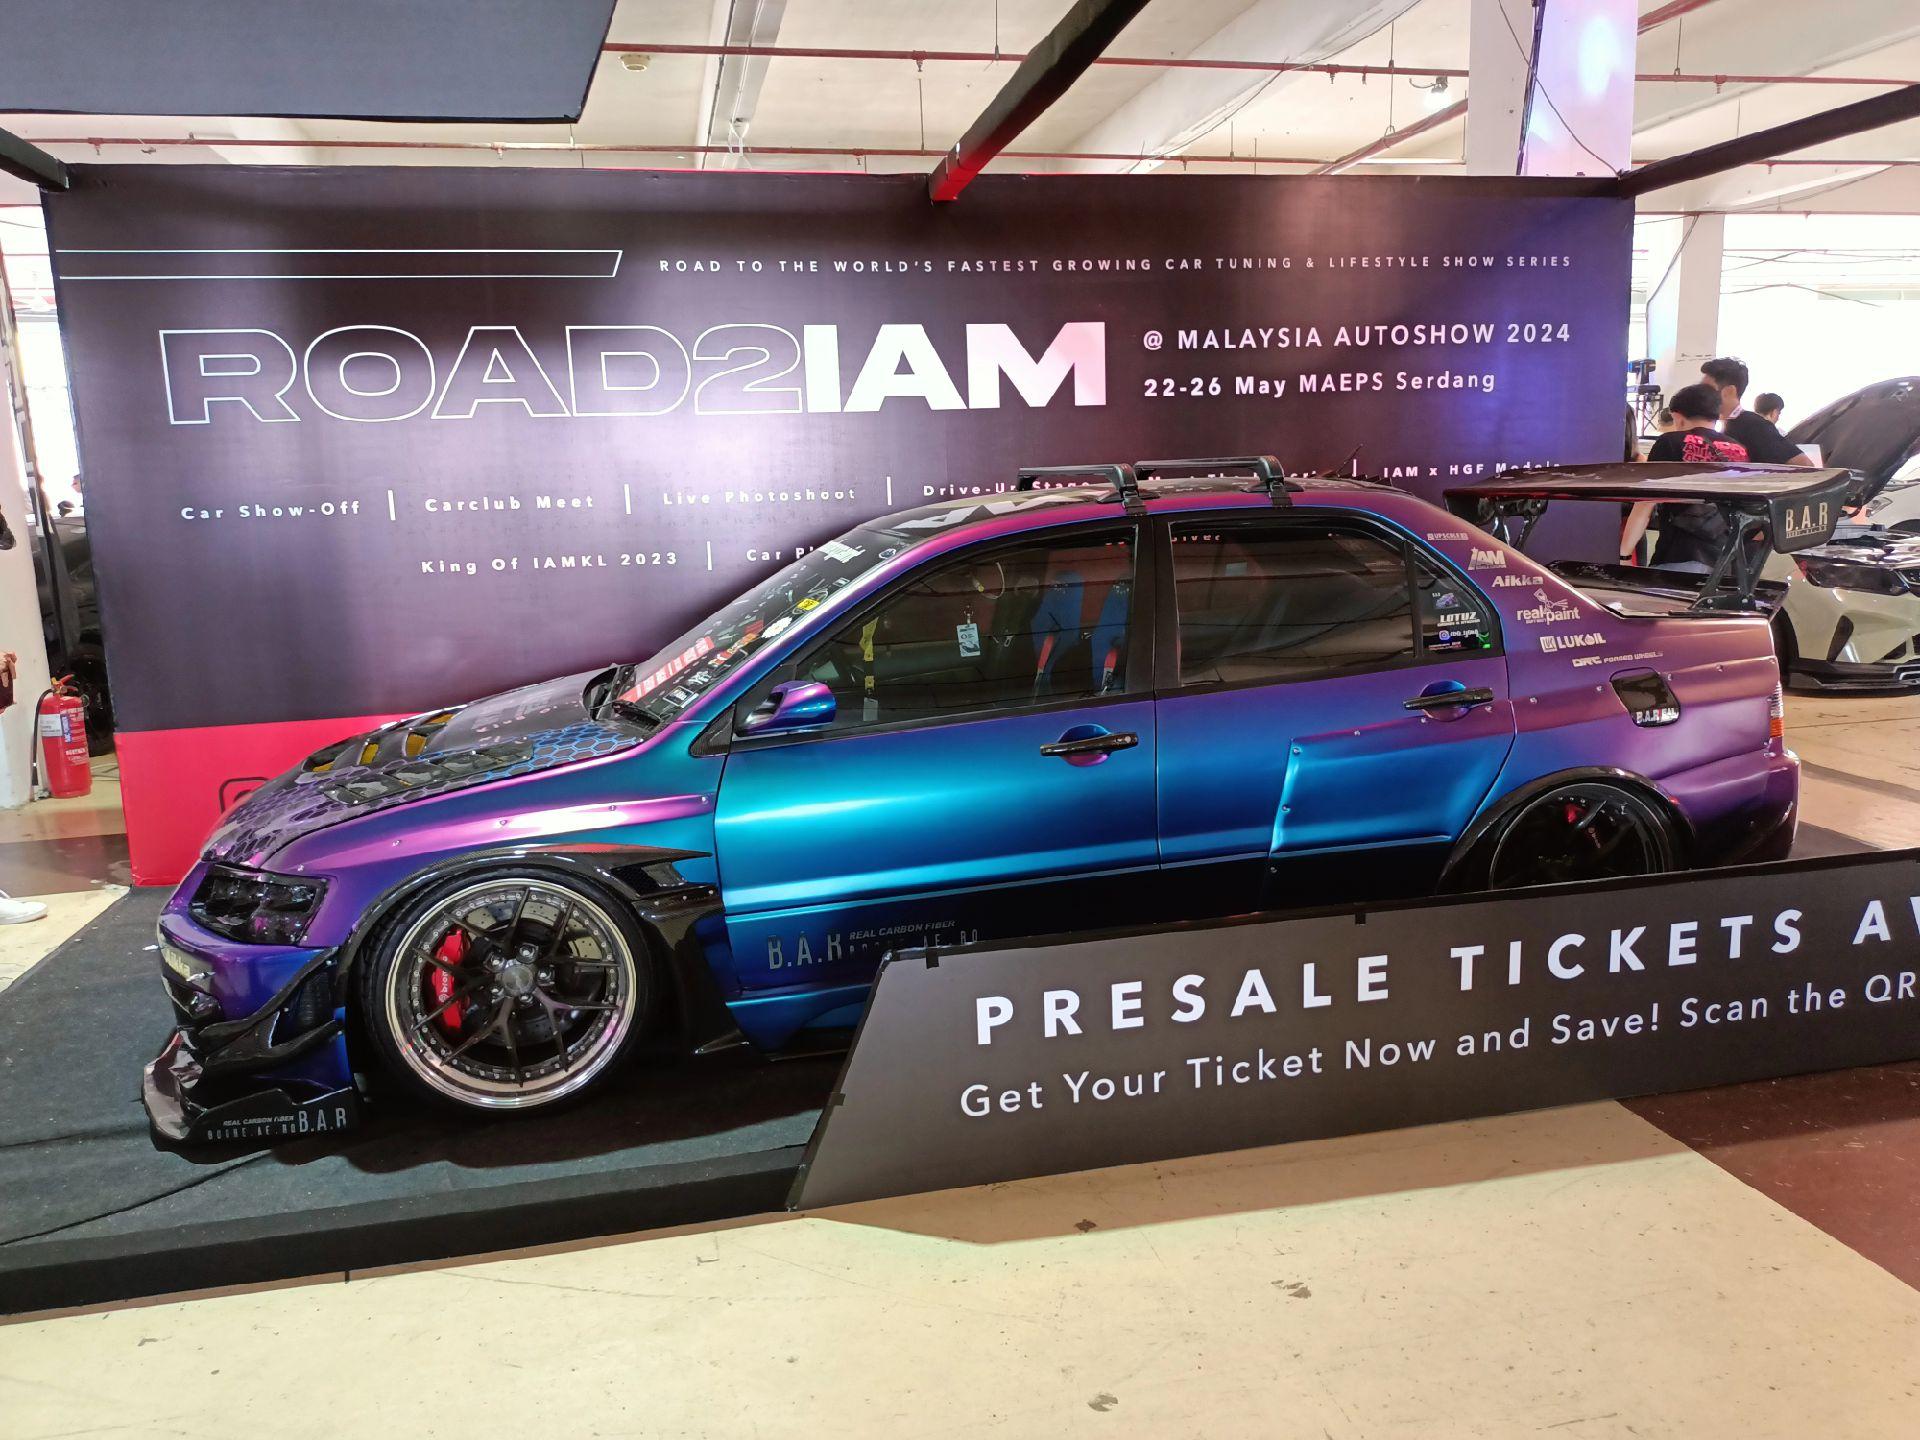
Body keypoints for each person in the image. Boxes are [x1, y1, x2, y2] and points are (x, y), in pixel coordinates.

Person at [1622, 382, 1749, 568]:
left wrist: (1624, 555)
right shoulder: (1739, 449)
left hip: (1680, 555)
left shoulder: (1670, 443)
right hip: (1727, 560)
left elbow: (1645, 505)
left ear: (1678, 417)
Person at [1701, 358, 1810, 466]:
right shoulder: (1727, 426)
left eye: (1707, 390)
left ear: (1729, 391)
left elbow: (1804, 464)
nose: (1701, 395)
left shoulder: (1754, 426)